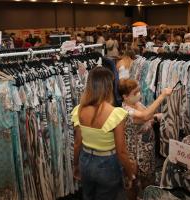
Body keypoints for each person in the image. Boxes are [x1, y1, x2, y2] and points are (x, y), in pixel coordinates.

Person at [71, 67, 136, 200]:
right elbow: (121, 151)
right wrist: (130, 173)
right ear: (108, 86)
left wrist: (76, 165)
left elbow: (77, 144)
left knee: (88, 196)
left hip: (86, 161)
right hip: (107, 164)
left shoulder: (79, 110)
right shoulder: (115, 113)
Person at [118, 79, 173, 200]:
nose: (139, 94)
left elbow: (146, 119)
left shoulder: (137, 104)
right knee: (133, 183)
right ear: (125, 97)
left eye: (139, 91)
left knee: (147, 181)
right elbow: (144, 116)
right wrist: (162, 95)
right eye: (135, 92)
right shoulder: (126, 110)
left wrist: (155, 118)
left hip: (146, 151)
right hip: (135, 154)